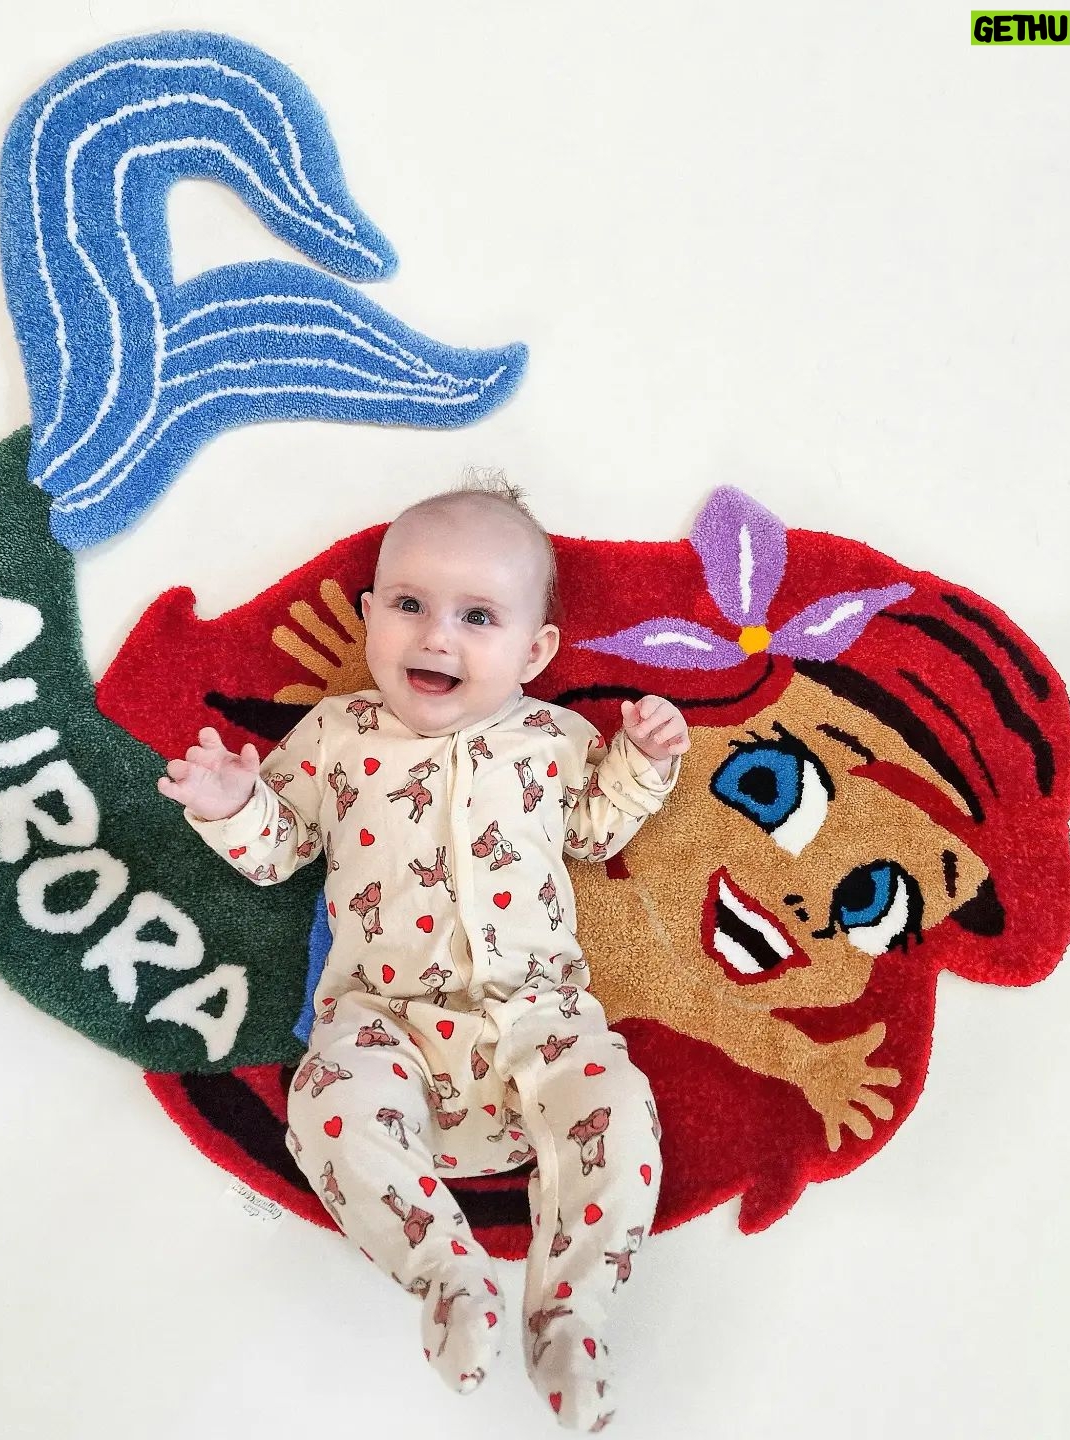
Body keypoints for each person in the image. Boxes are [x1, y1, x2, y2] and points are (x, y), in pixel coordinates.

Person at [157, 481, 689, 1430]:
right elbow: (281, 850)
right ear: (369, 618)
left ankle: (573, 1312)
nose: (437, 635)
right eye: (409, 604)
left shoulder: (551, 738)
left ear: (535, 653)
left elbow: (594, 832)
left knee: (620, 1111)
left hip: (542, 1023)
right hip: (386, 1027)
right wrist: (231, 801)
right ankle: (447, 1276)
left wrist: (642, 762)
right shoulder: (337, 735)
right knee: (323, 1101)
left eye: (477, 617)